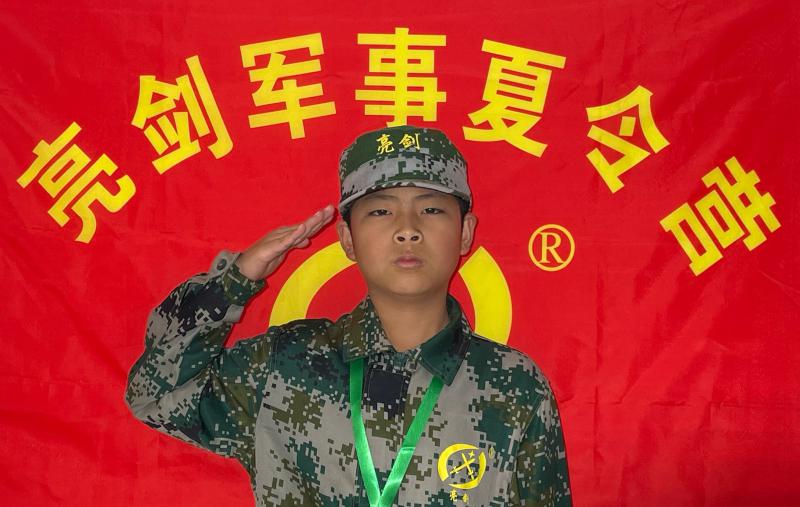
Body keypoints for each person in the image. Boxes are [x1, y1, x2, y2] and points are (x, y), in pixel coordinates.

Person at [125, 125, 572, 506]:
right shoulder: (282, 367)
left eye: (431, 208)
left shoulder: (513, 385)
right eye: (381, 210)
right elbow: (153, 395)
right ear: (347, 238)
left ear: (465, 233)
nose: (408, 229)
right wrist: (234, 281)